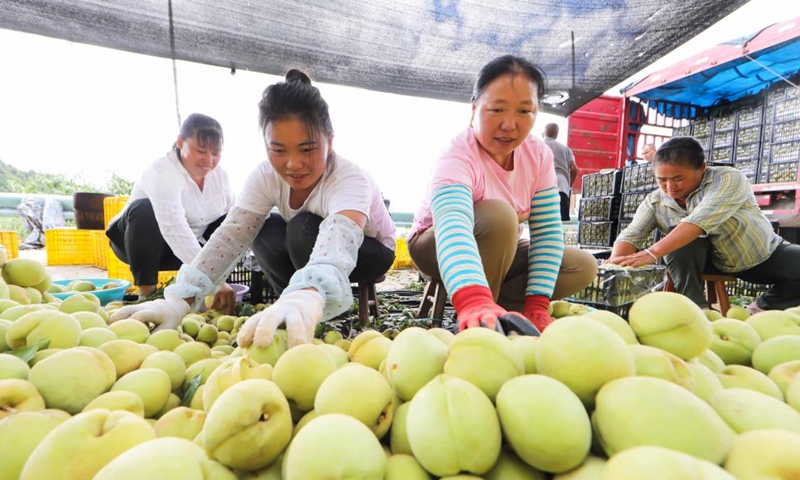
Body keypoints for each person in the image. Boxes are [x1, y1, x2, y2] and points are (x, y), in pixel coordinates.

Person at [109, 70, 397, 347]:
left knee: (302, 227)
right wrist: (180, 299)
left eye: (307, 149)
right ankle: (291, 305)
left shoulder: (349, 178)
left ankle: (307, 300)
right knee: (265, 228)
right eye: (279, 150)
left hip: (369, 250)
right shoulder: (264, 177)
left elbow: (337, 241)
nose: (293, 164)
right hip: (311, 245)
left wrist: (309, 292)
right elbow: (231, 236)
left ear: (329, 142)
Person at [407, 55, 598, 334]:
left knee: (581, 265)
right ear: (474, 109)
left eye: (524, 112)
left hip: (501, 250)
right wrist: (472, 299)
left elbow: (547, 232)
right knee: (500, 217)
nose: (510, 124)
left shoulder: (538, 155)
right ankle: (478, 311)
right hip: (435, 244)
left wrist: (537, 303)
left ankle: (505, 311)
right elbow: (453, 225)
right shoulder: (458, 155)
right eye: (497, 110)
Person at [608, 136, 800, 312]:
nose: (670, 187)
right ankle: (697, 309)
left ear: (702, 168)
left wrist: (652, 252)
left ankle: (759, 310)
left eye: (678, 179)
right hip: (703, 263)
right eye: (662, 180)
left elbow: (699, 221)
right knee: (679, 238)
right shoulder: (655, 201)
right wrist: (613, 266)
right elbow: (632, 234)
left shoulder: (728, 178)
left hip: (759, 254)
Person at [106, 113, 235, 299]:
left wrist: (217, 277)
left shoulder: (220, 177)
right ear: (181, 142)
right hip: (139, 244)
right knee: (143, 209)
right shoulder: (162, 171)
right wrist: (211, 278)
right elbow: (173, 226)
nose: (209, 160)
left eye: (215, 153)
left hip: (192, 244)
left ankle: (209, 295)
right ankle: (147, 296)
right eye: (201, 151)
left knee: (230, 221)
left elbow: (235, 217)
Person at [542, 123, 578, 221]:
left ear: (543, 133)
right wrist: (569, 185)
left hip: (543, 188)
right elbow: (574, 169)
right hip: (562, 187)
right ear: (556, 135)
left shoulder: (539, 145)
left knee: (543, 222)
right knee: (562, 223)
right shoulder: (566, 149)